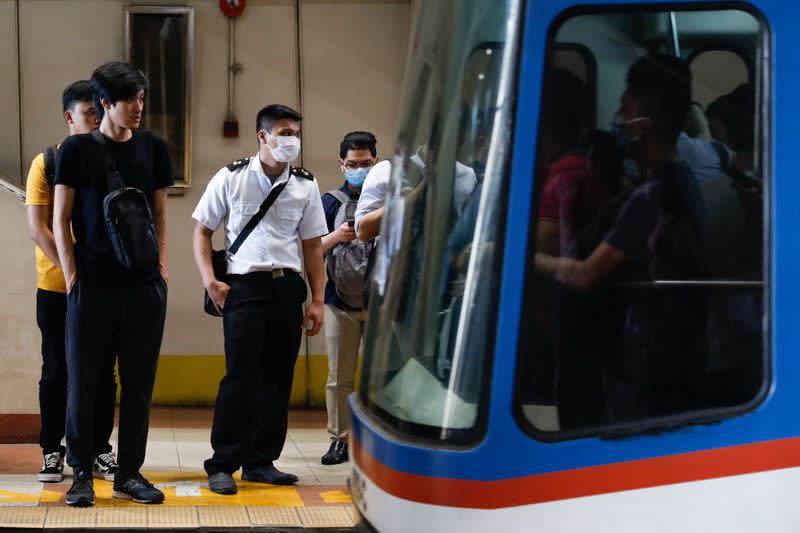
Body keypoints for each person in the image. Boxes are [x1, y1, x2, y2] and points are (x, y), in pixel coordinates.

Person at [535, 53, 707, 422]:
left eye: (624, 113)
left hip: (649, 361)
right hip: (674, 351)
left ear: (641, 126)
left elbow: (584, 275)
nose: (618, 123)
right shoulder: (679, 180)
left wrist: (511, 256)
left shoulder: (651, 195)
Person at [192, 104, 328, 495]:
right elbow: (202, 231)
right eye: (285, 132)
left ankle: (260, 461)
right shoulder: (231, 177)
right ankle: (222, 464)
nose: (293, 140)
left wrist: (317, 300)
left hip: (287, 288)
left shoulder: (305, 184)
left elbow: (313, 245)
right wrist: (211, 280)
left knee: (277, 377)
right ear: (263, 137)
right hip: (244, 287)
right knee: (240, 376)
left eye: (297, 134)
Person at [54, 62, 172, 507]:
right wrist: (72, 278)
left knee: (140, 384)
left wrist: (162, 269)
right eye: (131, 101)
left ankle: (129, 473)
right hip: (93, 287)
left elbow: (160, 212)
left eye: (142, 99)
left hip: (143, 288)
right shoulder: (76, 150)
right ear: (105, 103)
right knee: (84, 381)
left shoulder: (153, 147)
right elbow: (59, 217)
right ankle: (81, 473)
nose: (140, 108)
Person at [25, 81, 118, 484]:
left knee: (102, 371)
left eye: (100, 113)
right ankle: (51, 450)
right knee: (57, 370)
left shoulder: (111, 161)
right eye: (89, 115)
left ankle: (100, 449)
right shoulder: (46, 162)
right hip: (57, 288)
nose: (96, 121)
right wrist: (72, 272)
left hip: (105, 287)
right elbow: (39, 228)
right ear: (69, 118)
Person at [319, 131, 378, 465]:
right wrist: (336, 236)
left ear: (377, 162)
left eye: (366, 164)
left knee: (380, 378)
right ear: (341, 165)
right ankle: (339, 440)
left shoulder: (390, 200)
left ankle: (374, 441)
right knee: (339, 377)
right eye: (353, 164)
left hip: (381, 305)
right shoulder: (329, 202)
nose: (360, 170)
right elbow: (310, 248)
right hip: (338, 302)